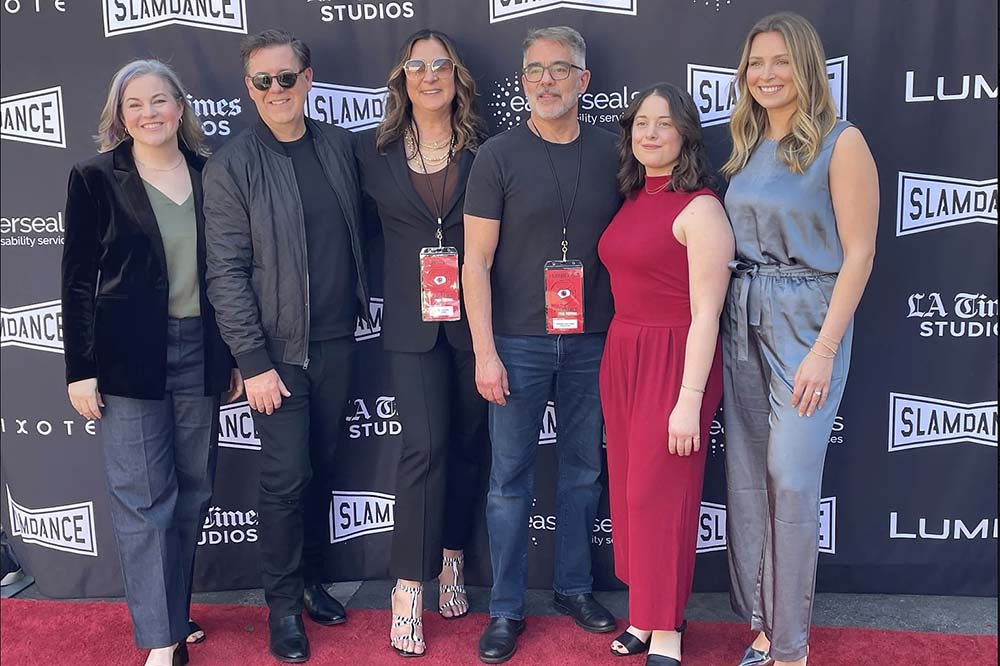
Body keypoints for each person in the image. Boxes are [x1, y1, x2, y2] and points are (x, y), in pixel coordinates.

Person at [61, 59, 242, 666]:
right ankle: (160, 642)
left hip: (201, 351)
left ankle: (172, 611)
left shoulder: (210, 173)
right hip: (128, 360)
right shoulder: (93, 179)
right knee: (143, 498)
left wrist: (237, 355)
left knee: (191, 491)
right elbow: (78, 282)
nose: (149, 113)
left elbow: (230, 273)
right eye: (134, 104)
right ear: (119, 114)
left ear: (181, 108)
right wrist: (79, 369)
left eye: (160, 101)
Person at [202, 30, 371, 663]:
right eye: (263, 81)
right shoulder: (233, 165)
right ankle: (280, 608)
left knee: (320, 470)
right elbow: (226, 270)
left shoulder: (337, 147)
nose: (277, 89)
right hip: (276, 354)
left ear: (308, 78)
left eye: (286, 77)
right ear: (249, 90)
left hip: (337, 341)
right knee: (283, 480)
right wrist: (254, 362)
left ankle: (309, 582)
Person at [720, 13, 878, 666]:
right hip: (744, 316)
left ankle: (790, 647)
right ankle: (762, 623)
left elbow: (862, 252)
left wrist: (823, 348)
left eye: (780, 61)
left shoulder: (841, 144)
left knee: (789, 476)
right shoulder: (747, 146)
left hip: (808, 322)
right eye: (756, 63)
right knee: (751, 477)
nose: (766, 74)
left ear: (807, 67)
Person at [463, 25, 620, 665]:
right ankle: (505, 609)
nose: (547, 80)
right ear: (522, 81)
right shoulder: (497, 156)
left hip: (595, 341)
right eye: (535, 71)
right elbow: (474, 263)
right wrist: (485, 352)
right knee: (509, 482)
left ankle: (576, 589)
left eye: (560, 69)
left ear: (584, 81)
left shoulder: (617, 154)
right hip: (517, 342)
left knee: (583, 473)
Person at [356, 29, 489, 658]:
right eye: (417, 66)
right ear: (401, 80)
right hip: (410, 325)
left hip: (477, 322)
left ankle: (454, 560)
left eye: (441, 66)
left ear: (456, 77)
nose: (429, 76)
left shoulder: (486, 150)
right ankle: (407, 590)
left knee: (466, 446)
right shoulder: (373, 155)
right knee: (423, 448)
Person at [599, 84, 734, 666]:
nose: (650, 133)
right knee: (630, 496)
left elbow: (708, 311)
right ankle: (645, 615)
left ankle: (669, 632)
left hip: (675, 359)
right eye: (641, 123)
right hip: (623, 353)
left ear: (686, 136)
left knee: (663, 498)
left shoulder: (701, 207)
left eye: (665, 124)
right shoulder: (632, 197)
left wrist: (689, 398)